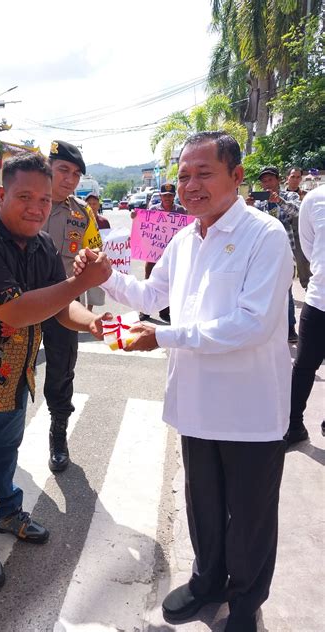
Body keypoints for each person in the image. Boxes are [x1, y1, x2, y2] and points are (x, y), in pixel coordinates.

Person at [75, 131, 293, 632]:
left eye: (203, 173)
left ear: (236, 177)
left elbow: (253, 323)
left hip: (250, 410)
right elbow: (153, 295)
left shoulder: (265, 235)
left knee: (251, 518)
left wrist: (165, 337)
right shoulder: (184, 237)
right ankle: (206, 581)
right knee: (204, 505)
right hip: (197, 404)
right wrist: (107, 275)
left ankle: (244, 604)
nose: (190, 185)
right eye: (184, 175)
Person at [0, 153, 110, 590]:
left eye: (44, 200)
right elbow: (15, 311)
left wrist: (92, 321)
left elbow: (59, 305)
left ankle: (7, 509)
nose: (36, 207)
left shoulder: (42, 245)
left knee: (5, 451)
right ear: (0, 195)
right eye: (25, 196)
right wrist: (80, 283)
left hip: (14, 376)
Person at [42, 140, 103, 472]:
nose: (69, 179)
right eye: (63, 170)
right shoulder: (26, 204)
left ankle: (58, 434)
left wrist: (92, 262)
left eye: (76, 174)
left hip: (63, 304)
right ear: (48, 167)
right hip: (19, 302)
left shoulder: (83, 214)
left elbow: (95, 254)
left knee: (61, 372)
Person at [285, 184, 325, 447]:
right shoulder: (316, 198)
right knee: (303, 367)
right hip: (320, 299)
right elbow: (308, 248)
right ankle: (294, 425)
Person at [246, 166, 300, 342]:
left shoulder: (289, 196)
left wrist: (280, 201)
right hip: (263, 252)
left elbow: (297, 212)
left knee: (286, 289)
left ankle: (290, 327)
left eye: (270, 179)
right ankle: (266, 327)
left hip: (285, 251)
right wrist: (248, 208)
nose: (267, 184)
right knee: (263, 289)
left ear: (277, 180)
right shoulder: (260, 203)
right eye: (264, 181)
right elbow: (252, 225)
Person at [132, 183, 184, 323]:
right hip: (153, 255)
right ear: (160, 196)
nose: (168, 198)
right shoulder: (153, 210)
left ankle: (165, 311)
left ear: (174, 196)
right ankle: (145, 310)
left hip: (173, 256)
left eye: (170, 195)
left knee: (170, 282)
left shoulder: (182, 211)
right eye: (165, 195)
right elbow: (143, 224)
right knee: (149, 282)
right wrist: (136, 216)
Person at [82, 192, 111, 311]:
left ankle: (89, 310)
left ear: (99, 205)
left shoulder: (104, 222)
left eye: (95, 203)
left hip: (96, 258)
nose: (92, 206)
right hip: (82, 258)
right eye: (89, 203)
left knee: (94, 286)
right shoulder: (79, 220)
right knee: (79, 287)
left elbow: (111, 240)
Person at [285, 167, 311, 289]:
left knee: (303, 263)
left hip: (300, 235)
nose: (295, 179)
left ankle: (308, 289)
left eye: (298, 177)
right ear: (287, 178)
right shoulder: (279, 195)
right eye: (293, 176)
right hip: (284, 234)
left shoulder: (306, 196)